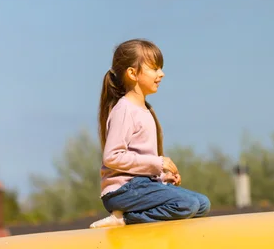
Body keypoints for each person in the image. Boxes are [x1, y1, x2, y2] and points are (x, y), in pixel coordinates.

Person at [90, 39, 210, 228]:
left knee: (202, 204)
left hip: (142, 185)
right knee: (188, 205)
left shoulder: (145, 109)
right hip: (122, 191)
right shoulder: (124, 110)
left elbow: (140, 160)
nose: (161, 74)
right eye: (154, 68)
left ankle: (133, 213)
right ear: (132, 73)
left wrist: (161, 176)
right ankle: (124, 219)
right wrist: (158, 163)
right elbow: (112, 157)